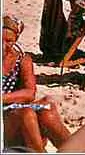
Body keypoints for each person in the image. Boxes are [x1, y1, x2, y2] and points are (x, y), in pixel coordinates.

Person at [2, 15, 73, 152]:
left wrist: (3, 98)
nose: (3, 46)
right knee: (27, 113)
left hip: (12, 107)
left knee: (47, 108)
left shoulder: (22, 59)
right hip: (7, 118)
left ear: (16, 40)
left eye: (9, 41)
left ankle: (74, 149)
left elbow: (30, 93)